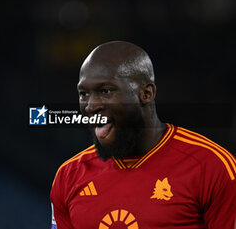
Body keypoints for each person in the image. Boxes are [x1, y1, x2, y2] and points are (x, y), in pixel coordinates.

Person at [50, 41, 236, 229]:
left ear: (146, 93)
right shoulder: (68, 177)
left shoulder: (213, 168)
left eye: (105, 91)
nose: (91, 105)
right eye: (83, 94)